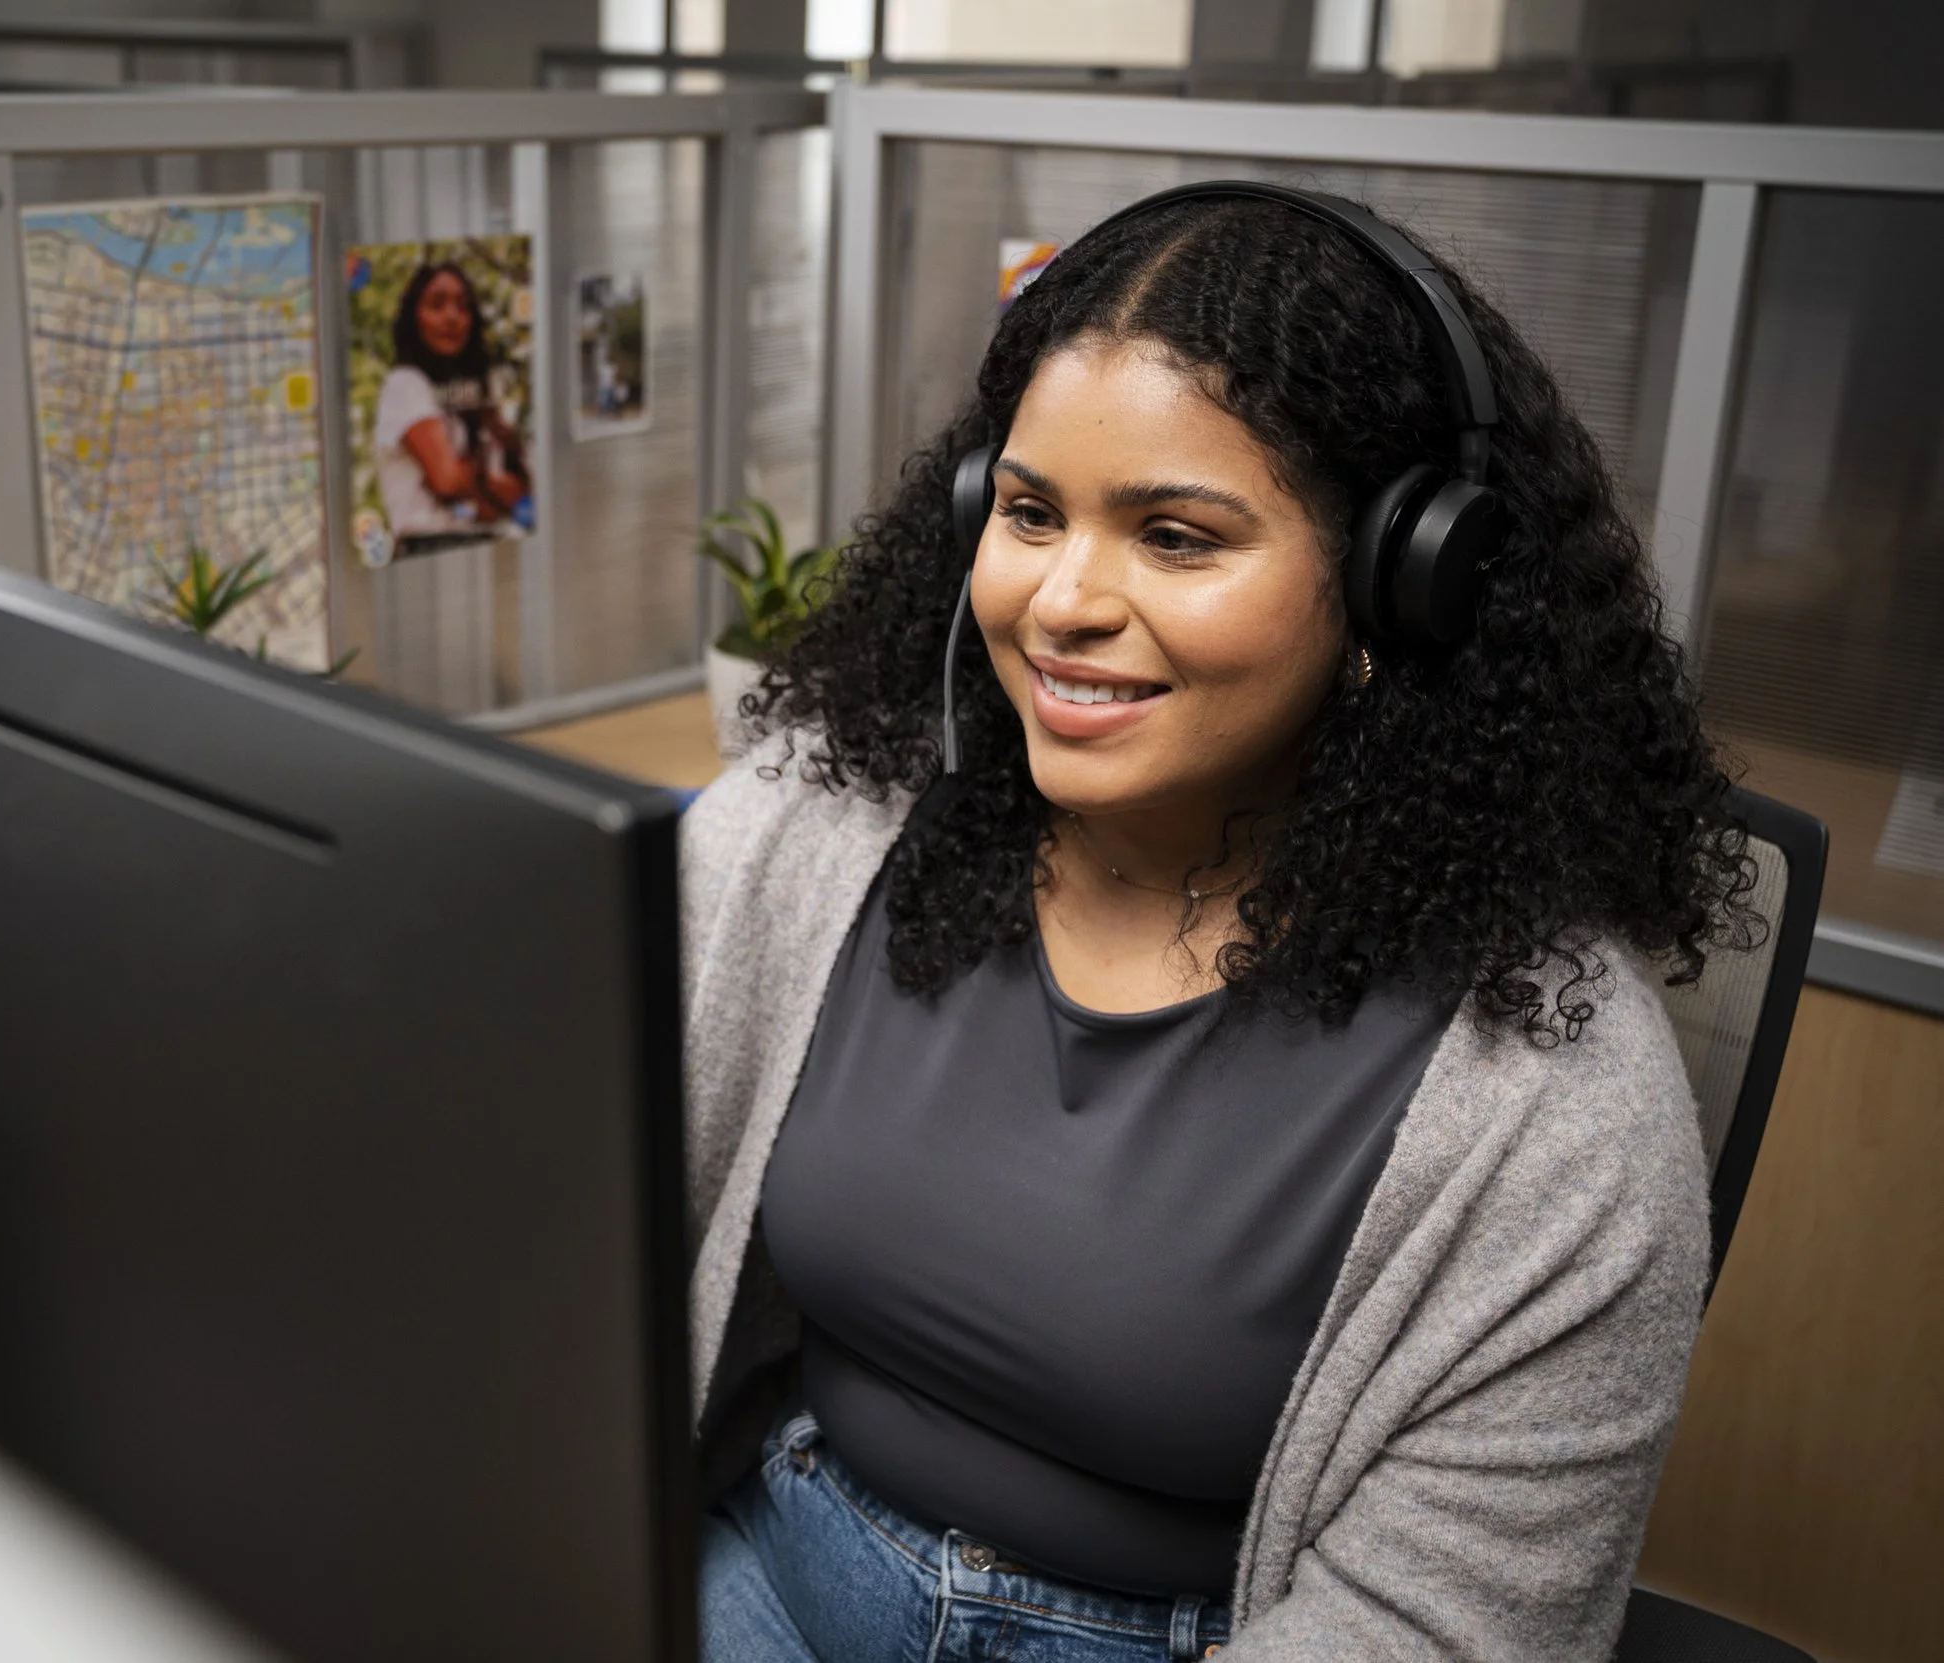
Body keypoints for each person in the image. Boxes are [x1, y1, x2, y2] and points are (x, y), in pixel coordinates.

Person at [683, 185, 1757, 1661]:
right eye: (1030, 510)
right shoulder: (814, 828)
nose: (1064, 598)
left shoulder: (1552, 1094)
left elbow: (1439, 1623)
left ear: (1404, 586)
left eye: (1176, 536)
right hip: (770, 1564)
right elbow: (562, 1226)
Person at [369, 260, 529, 549]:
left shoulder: (478, 392)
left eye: (463, 306)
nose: (452, 317)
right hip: (431, 546)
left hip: (491, 540)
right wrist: (490, 485)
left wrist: (481, 486)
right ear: (414, 317)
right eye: (437, 304)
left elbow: (521, 489)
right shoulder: (405, 383)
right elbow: (448, 481)